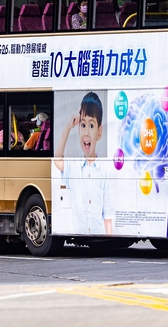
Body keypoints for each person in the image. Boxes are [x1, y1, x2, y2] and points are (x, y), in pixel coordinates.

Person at [52, 92, 113, 235]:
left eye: (91, 125)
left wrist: (110, 239)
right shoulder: (73, 166)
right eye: (83, 125)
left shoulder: (103, 170)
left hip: (98, 235)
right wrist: (68, 127)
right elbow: (57, 159)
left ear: (99, 132)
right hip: (79, 236)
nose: (86, 132)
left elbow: (107, 214)